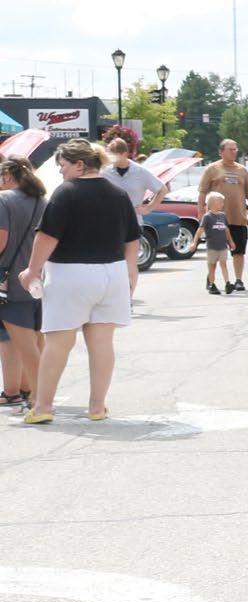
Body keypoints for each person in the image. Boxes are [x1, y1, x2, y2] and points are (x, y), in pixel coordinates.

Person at [15, 139, 142, 424]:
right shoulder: (119, 194)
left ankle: (43, 406)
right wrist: (131, 273)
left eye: (63, 165)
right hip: (112, 273)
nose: (61, 171)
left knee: (58, 343)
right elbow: (132, 239)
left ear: (79, 165)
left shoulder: (66, 193)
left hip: (69, 274)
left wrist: (32, 271)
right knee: (102, 344)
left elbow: (47, 236)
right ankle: (97, 407)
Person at [0, 156, 47, 409]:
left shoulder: (4, 200)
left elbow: (1, 240)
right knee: (37, 339)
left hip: (10, 281)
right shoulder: (42, 200)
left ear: (8, 176)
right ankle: (28, 390)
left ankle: (40, 397)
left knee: (23, 343)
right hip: (38, 279)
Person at [198, 139, 248, 291]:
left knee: (238, 251)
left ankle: (238, 280)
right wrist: (201, 212)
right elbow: (203, 192)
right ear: (221, 152)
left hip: (238, 217)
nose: (234, 152)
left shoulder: (242, 170)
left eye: (235, 149)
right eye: (230, 149)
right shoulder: (212, 169)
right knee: (216, 252)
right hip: (216, 218)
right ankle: (211, 280)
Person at [100, 138, 166, 218]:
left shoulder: (140, 171)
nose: (111, 159)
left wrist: (148, 209)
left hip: (134, 221)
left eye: (113, 156)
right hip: (111, 220)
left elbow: (162, 190)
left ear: (124, 154)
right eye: (109, 155)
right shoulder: (105, 172)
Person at [193, 192, 233, 295]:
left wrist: (231, 242)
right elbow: (200, 230)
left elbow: (226, 230)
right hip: (212, 247)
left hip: (223, 246)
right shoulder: (207, 217)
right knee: (212, 267)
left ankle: (227, 283)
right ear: (214, 203)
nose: (223, 204)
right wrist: (194, 242)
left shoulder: (223, 216)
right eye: (221, 202)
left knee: (224, 264)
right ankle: (211, 284)